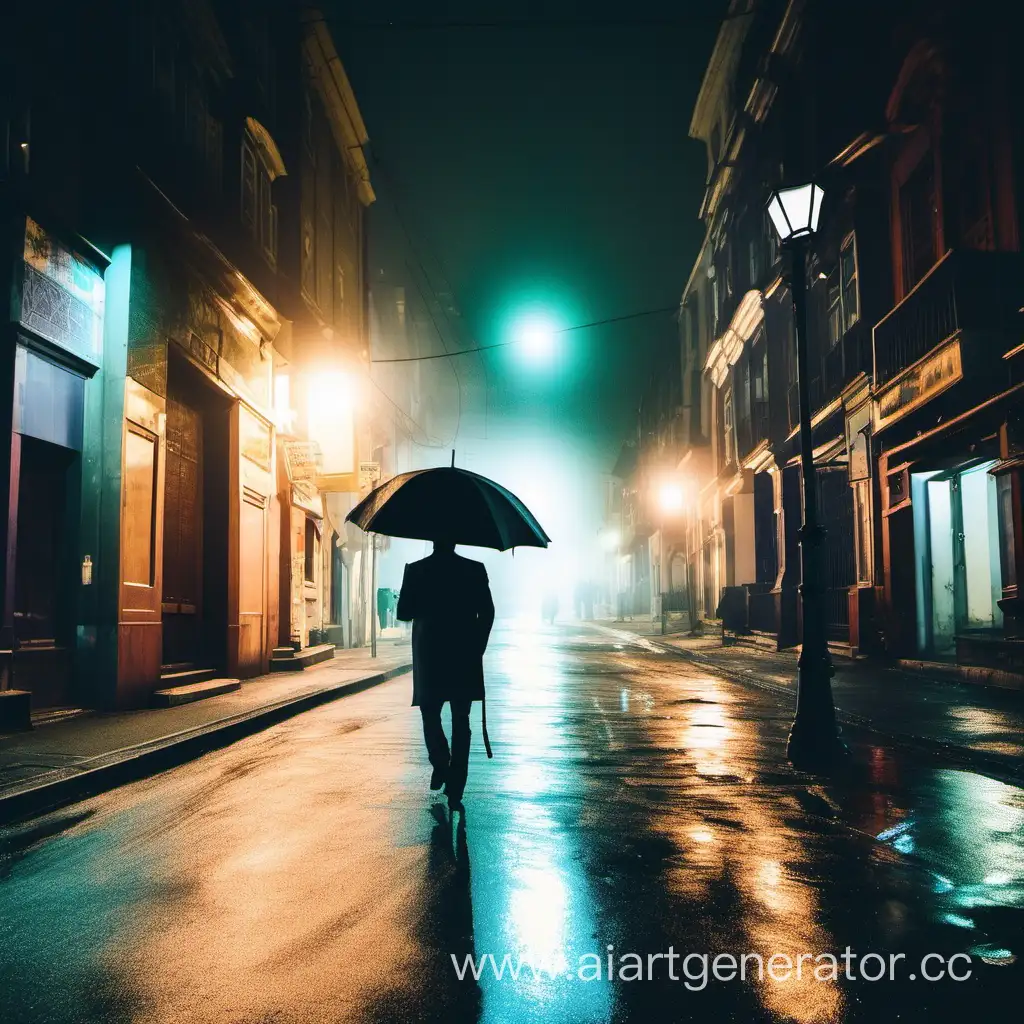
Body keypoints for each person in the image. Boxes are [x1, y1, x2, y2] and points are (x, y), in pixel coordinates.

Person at [397, 537, 495, 811]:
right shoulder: (474, 569)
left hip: (430, 654)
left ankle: (441, 763)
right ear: (456, 541)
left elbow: (403, 612)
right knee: (461, 719)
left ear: (432, 541)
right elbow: (487, 611)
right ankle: (457, 783)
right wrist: (479, 646)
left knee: (430, 713)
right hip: (464, 654)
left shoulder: (416, 570)